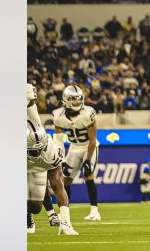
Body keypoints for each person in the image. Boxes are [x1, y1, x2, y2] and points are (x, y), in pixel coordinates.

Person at [52, 85, 102, 221]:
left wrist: (88, 160)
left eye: (79, 99)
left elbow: (92, 140)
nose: (77, 102)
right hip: (74, 147)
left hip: (88, 146)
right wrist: (61, 160)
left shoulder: (88, 113)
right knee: (66, 180)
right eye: (73, 99)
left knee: (88, 175)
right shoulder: (58, 115)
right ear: (66, 100)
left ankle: (94, 211)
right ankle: (64, 212)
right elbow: (58, 141)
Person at [27, 119, 77, 235]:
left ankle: (65, 224)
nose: (38, 153)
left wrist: (65, 221)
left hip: (41, 164)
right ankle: (26, 216)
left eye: (40, 149)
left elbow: (58, 187)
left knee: (36, 207)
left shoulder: (51, 150)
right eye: (34, 151)